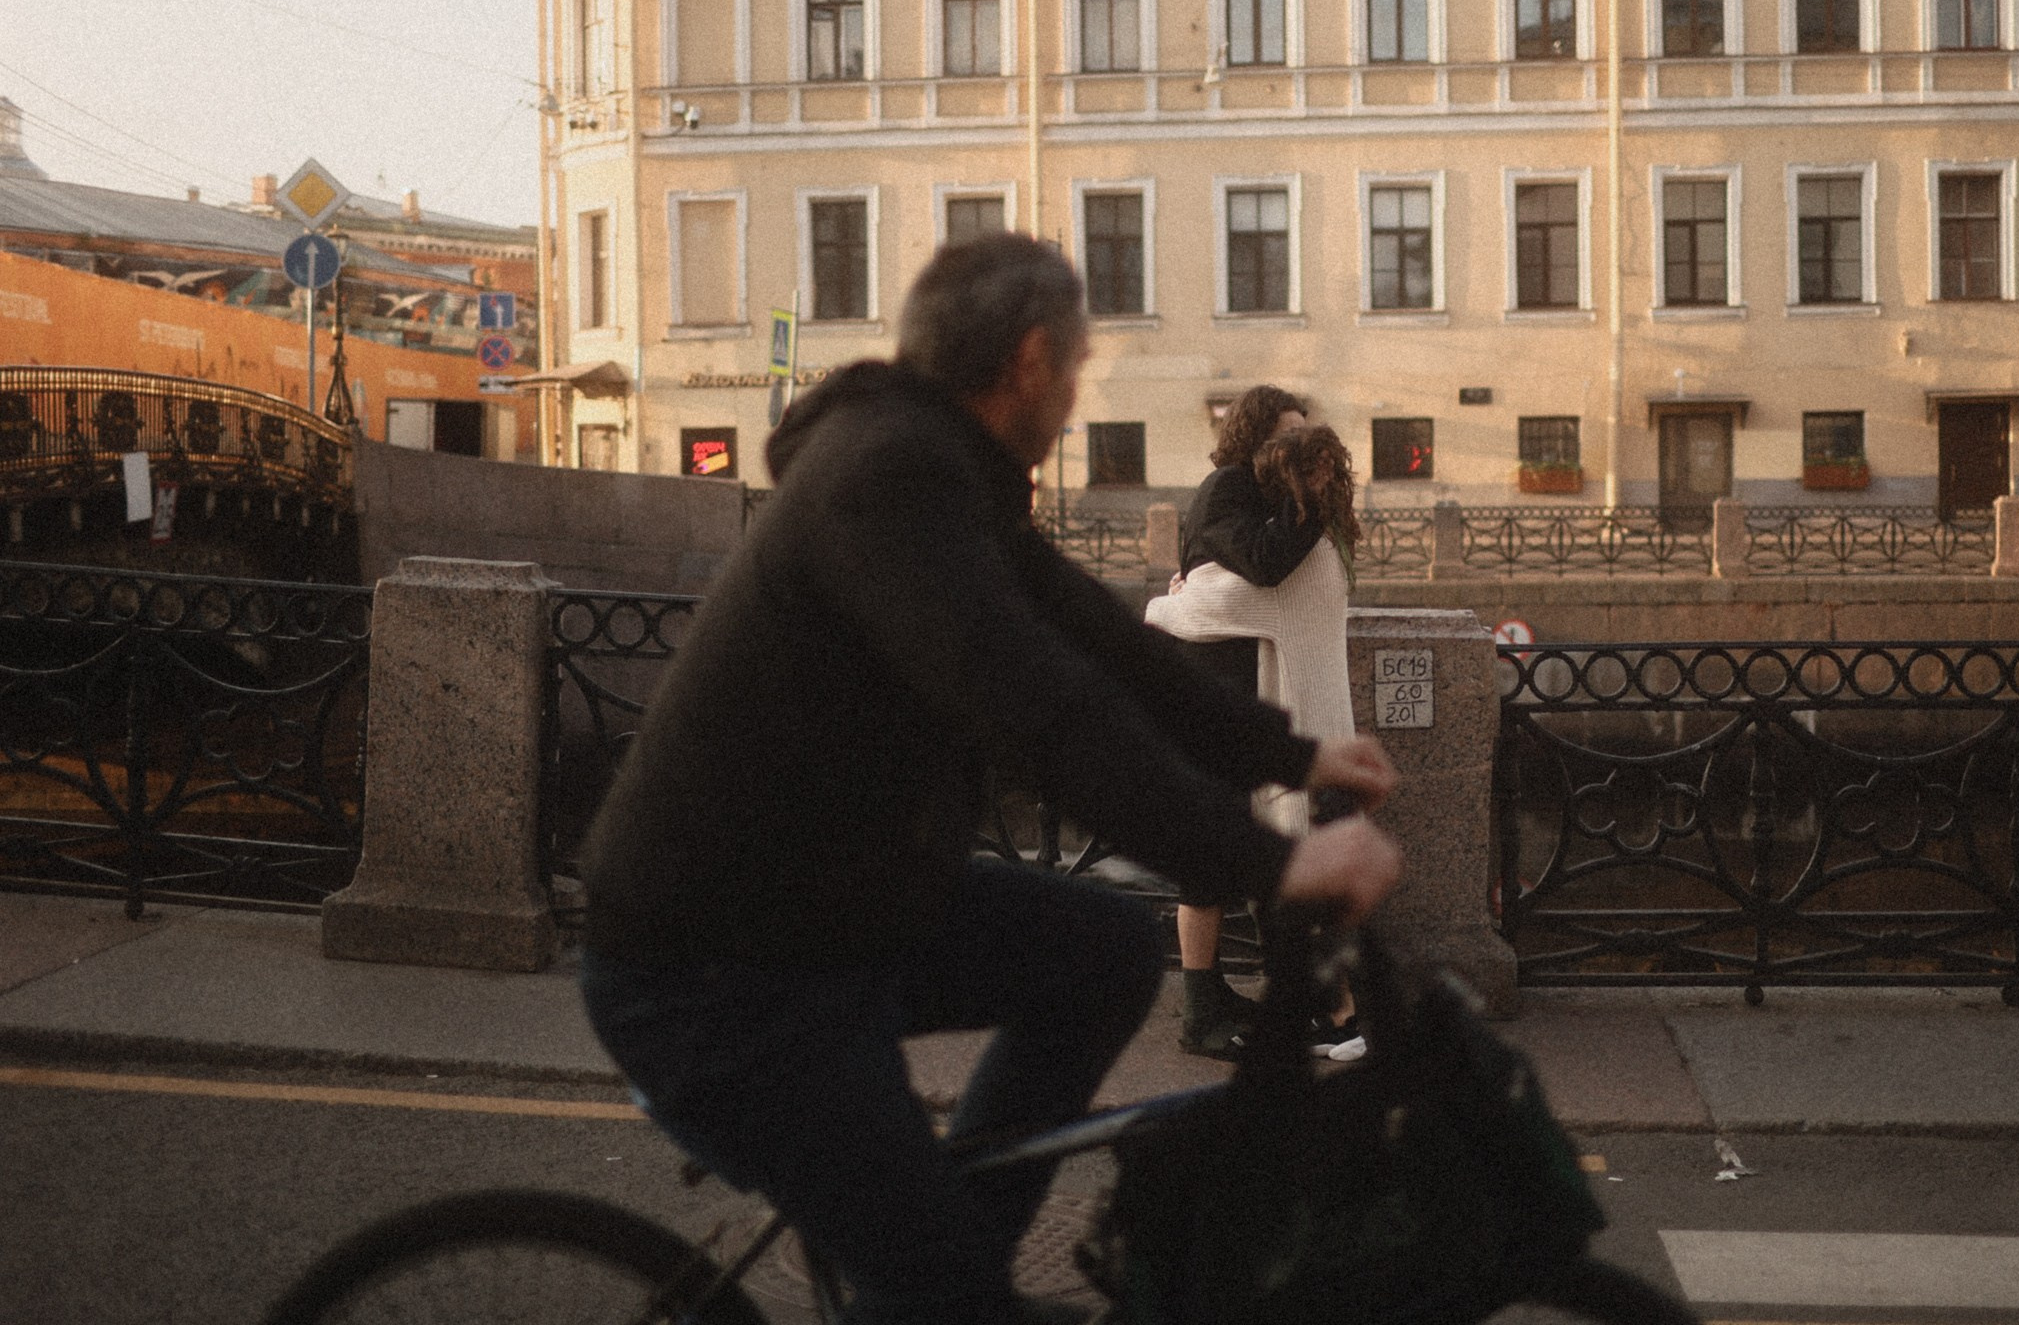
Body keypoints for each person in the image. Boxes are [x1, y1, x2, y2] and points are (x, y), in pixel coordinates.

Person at [575, 232, 1401, 1325]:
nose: (1073, 396)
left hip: (830, 903)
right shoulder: (886, 481)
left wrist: (1291, 754)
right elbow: (1047, 715)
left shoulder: (940, 470)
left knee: (1108, 950)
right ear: (1027, 360)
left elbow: (1099, 640)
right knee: (945, 1296)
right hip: (717, 965)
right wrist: (1274, 860)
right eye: (1075, 369)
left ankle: (944, 1248)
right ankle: (943, 1291)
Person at [1148, 422, 1370, 1059]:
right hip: (1327, 727)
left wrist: (1173, 596)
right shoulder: (1327, 545)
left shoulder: (1289, 565)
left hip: (1298, 740)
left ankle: (1338, 1021)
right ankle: (1337, 1018)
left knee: (1298, 884)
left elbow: (1194, 612)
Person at [1157, 385, 1316, 1057]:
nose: (1300, 447)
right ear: (1255, 437)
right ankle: (1198, 1010)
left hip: (1245, 689)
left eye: (1306, 436)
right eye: (1289, 434)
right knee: (1206, 856)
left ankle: (1217, 992)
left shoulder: (1263, 495)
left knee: (1236, 847)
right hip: (1210, 690)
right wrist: (1313, 502)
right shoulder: (1226, 488)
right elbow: (1264, 564)